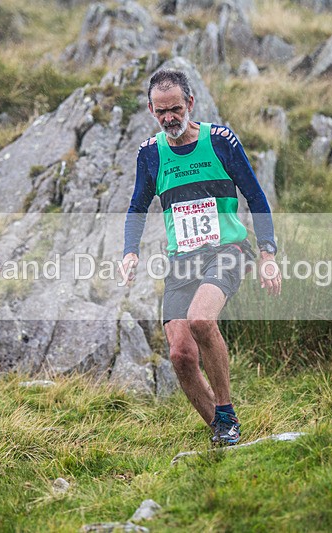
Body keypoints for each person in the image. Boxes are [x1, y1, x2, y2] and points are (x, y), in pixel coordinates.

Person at [121, 69, 282, 446]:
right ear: (150, 110)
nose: (169, 119)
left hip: (227, 250)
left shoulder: (221, 141)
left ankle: (225, 411)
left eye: (175, 109)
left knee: (200, 320)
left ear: (190, 104)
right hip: (182, 260)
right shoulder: (150, 155)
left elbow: (256, 198)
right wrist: (129, 252)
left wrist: (267, 253)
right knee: (179, 354)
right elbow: (136, 207)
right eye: (160, 112)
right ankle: (224, 431)